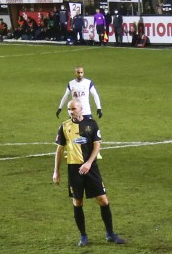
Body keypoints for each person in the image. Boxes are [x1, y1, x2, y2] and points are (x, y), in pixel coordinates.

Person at [53, 100, 126, 246]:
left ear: (81, 109)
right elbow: (59, 149)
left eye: (73, 108)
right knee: (77, 201)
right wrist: (56, 171)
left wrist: (88, 163)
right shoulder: (64, 126)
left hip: (91, 167)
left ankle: (110, 234)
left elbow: (97, 145)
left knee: (103, 200)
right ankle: (83, 236)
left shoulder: (91, 124)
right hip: (74, 169)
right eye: (69, 109)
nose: (71, 111)